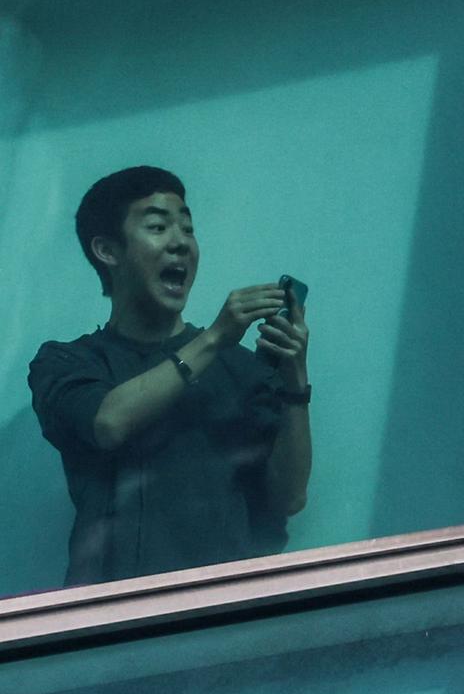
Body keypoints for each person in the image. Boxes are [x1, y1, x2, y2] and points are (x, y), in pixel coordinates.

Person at [29, 166, 313, 586]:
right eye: (158, 227)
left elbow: (289, 497)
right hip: (109, 609)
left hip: (227, 605)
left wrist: (294, 383)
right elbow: (109, 422)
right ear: (107, 250)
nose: (181, 243)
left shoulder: (240, 367)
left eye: (188, 229)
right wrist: (214, 338)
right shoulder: (67, 362)